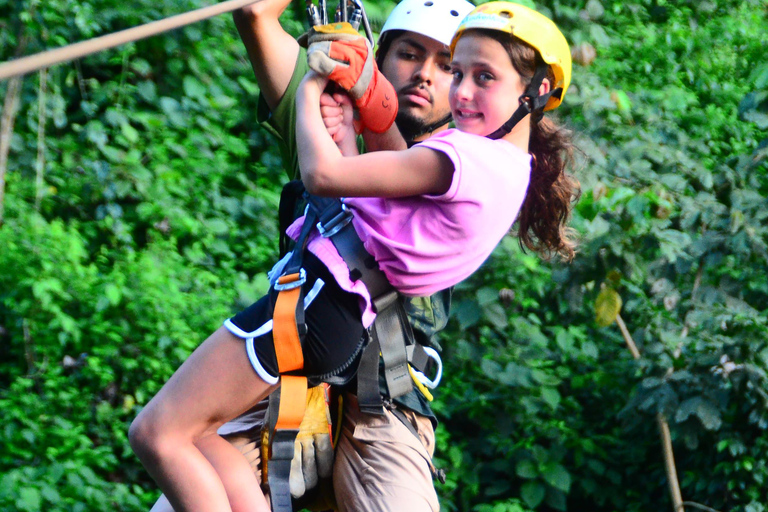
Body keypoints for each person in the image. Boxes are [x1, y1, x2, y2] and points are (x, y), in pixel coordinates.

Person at [129, 2, 579, 511]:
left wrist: (352, 101)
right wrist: (342, 95)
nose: (428, 77)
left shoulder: (459, 154)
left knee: (169, 436)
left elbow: (381, 170)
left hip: (383, 399)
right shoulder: (341, 112)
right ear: (377, 56)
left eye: (444, 64)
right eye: (410, 55)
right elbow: (257, 16)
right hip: (291, 376)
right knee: (182, 476)